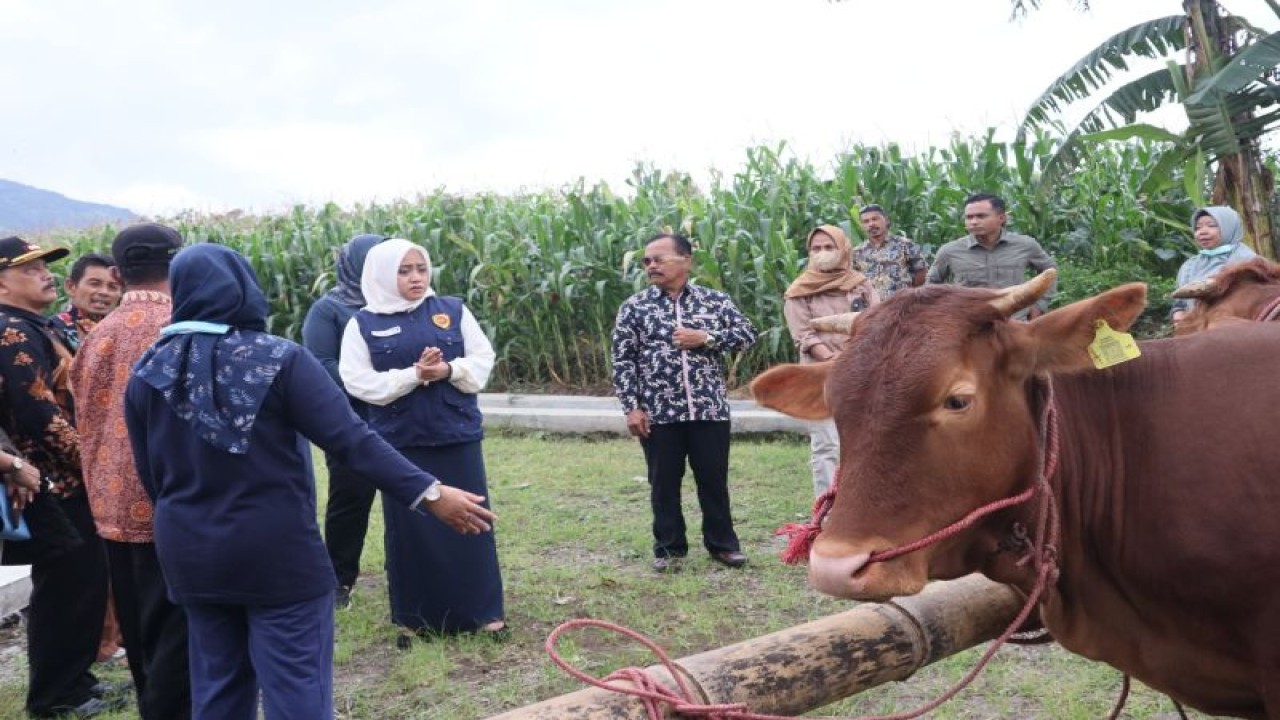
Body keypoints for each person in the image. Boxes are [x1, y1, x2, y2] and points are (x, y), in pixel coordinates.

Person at [124, 243, 496, 720]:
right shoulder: (279, 359)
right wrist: (431, 492)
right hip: (276, 552)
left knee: (217, 685)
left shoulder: (149, 371)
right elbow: (350, 441)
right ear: (242, 287)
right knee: (296, 683)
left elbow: (151, 475)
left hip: (191, 552)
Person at [339, 238, 507, 642]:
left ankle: (486, 615)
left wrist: (447, 370)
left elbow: (482, 361)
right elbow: (359, 383)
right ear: (381, 274)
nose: (415, 277)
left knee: (472, 520)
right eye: (403, 270)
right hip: (400, 444)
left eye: (420, 268)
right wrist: (413, 375)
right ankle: (414, 620)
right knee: (410, 530)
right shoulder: (362, 324)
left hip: (456, 436)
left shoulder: (452, 310)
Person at [68, 223, 191, 719]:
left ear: (118, 273)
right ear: (179, 265)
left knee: (140, 637)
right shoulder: (184, 329)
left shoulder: (96, 336)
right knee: (180, 637)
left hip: (113, 507)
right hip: (174, 502)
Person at [0, 236, 115, 718]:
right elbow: (37, 413)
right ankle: (53, 698)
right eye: (29, 268)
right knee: (66, 586)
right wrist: (93, 462)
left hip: (67, 478)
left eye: (45, 265)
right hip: (49, 483)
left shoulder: (35, 324)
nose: (45, 273)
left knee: (84, 581)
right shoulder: (11, 332)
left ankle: (77, 680)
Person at [611, 232, 758, 574]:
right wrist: (631, 407)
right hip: (659, 413)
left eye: (659, 259)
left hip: (708, 410)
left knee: (713, 480)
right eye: (647, 261)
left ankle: (723, 546)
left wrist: (705, 338)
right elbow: (622, 361)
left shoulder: (714, 301)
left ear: (686, 261)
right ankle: (669, 548)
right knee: (663, 483)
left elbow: (747, 335)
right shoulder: (635, 307)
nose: (651, 266)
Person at [301, 233, 387, 611]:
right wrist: (382, 385)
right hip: (352, 420)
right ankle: (338, 580)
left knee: (415, 499)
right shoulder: (329, 309)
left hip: (405, 419)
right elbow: (321, 365)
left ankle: (414, 571)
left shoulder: (408, 304)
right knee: (350, 500)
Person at [783, 225, 878, 497]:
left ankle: (861, 504)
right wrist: (833, 358)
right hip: (820, 376)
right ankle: (826, 510)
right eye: (816, 248)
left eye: (829, 247)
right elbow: (803, 335)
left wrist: (856, 357)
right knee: (826, 444)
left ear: (843, 249)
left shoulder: (859, 283)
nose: (822, 253)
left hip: (861, 375)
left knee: (863, 442)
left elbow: (875, 321)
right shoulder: (799, 290)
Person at [927, 193, 1058, 318]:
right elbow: (931, 286)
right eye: (969, 217)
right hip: (969, 326)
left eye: (981, 216)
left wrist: (1039, 306)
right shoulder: (949, 251)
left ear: (1001, 218)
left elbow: (1050, 270)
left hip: (1014, 323)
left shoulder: (1026, 245)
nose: (973, 222)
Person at [1170, 205, 1258, 327]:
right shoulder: (1189, 266)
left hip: (1238, 330)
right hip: (1196, 330)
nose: (1202, 231)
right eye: (1197, 228)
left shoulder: (1249, 261)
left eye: (1211, 225)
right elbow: (1180, 302)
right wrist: (1178, 313)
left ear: (1228, 227)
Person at [852, 204, 927, 299]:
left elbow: (921, 272)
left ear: (886, 220)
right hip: (872, 307)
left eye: (875, 219)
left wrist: (910, 295)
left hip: (901, 304)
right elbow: (854, 280)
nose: (871, 224)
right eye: (866, 221)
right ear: (862, 226)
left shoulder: (905, 245)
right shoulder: (857, 252)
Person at [52, 252, 122, 350]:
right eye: (95, 284)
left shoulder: (124, 331)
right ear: (71, 287)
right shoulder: (52, 330)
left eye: (113, 287)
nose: (104, 292)